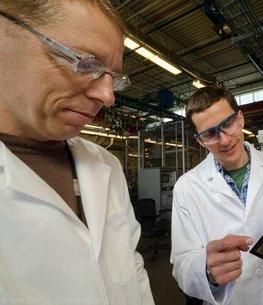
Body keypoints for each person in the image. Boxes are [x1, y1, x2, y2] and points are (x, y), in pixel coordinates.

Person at [0, 1, 154, 305]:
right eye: (85, 63)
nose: (107, 96)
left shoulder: (106, 164)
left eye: (113, 78)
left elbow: (132, 269)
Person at [170, 86, 263, 304]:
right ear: (200, 141)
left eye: (227, 124)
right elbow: (182, 264)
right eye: (210, 134)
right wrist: (207, 273)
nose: (224, 140)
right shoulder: (187, 187)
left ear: (240, 119)